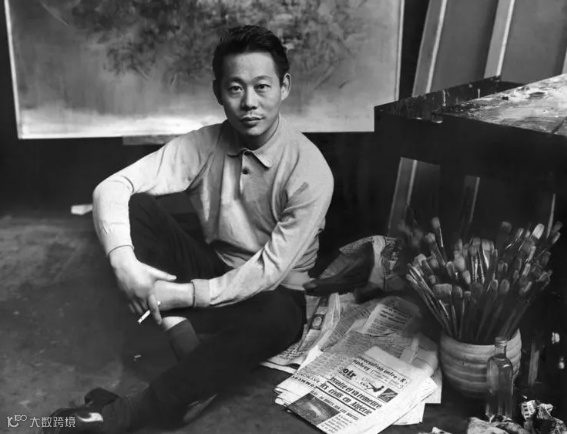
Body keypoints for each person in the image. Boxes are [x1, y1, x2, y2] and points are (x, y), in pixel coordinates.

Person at [44, 25, 334, 433]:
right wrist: (126, 265)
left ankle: (126, 413)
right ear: (218, 92)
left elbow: (269, 271)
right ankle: (192, 358)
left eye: (262, 87)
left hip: (274, 295)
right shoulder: (204, 143)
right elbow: (111, 187)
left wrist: (180, 295)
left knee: (278, 315)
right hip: (214, 272)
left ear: (284, 87)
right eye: (235, 88)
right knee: (137, 206)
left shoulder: (311, 169)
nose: (249, 103)